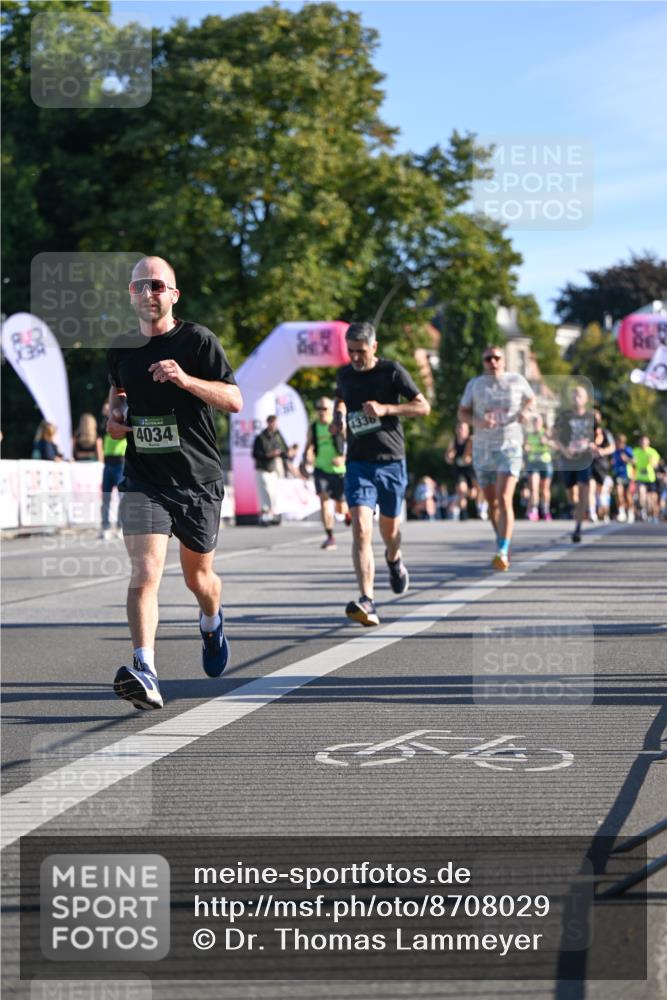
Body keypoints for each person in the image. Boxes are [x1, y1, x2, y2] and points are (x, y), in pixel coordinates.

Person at [106, 255, 242, 711]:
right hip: (145, 478)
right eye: (140, 286)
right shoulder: (122, 348)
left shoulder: (198, 340)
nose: (148, 293)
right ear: (131, 294)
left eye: (157, 286)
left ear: (173, 295)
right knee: (145, 572)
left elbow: (234, 399)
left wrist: (185, 379)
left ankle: (211, 620)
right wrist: (116, 420)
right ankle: (145, 668)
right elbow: (116, 399)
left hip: (198, 479)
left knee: (198, 578)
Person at [333, 321, 431, 626]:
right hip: (358, 463)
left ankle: (394, 559)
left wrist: (387, 410)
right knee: (361, 528)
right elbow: (340, 398)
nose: (356, 357)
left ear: (374, 347)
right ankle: (367, 600)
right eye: (351, 351)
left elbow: (423, 407)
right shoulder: (345, 374)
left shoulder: (392, 371)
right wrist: (338, 418)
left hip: (390, 461)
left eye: (361, 351)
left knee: (390, 532)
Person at [458, 345, 534, 570]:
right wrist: (478, 423)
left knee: (503, 498)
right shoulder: (475, 385)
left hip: (510, 445)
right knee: (492, 503)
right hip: (483, 448)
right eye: (487, 358)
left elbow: (531, 400)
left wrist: (526, 412)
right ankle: (502, 538)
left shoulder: (516, 380)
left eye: (496, 358)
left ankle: (502, 549)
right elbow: (462, 412)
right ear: (483, 362)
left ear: (503, 360)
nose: (492, 362)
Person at [552, 385, 596, 543]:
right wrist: (565, 451)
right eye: (574, 395)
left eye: (579, 395)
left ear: (585, 399)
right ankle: (577, 509)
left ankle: (578, 527)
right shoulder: (564, 416)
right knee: (572, 494)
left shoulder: (591, 417)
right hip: (568, 459)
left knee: (584, 489)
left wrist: (592, 444)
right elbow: (554, 436)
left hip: (584, 459)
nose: (576, 397)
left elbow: (597, 436)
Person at [304, 397, 349, 549]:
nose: (321, 411)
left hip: (338, 470)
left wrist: (343, 458)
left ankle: (347, 513)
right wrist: (308, 455)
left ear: (331, 410)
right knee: (323, 500)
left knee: (340, 509)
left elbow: (353, 443)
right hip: (321, 468)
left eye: (324, 408)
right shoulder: (314, 427)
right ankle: (330, 536)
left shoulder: (338, 425)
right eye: (319, 408)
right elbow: (308, 446)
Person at [252, 415, 288, 526]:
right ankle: (264, 515)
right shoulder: (261, 437)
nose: (274, 425)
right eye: (272, 423)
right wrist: (269, 455)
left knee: (273, 493)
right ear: (268, 423)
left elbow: (284, 450)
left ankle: (271, 514)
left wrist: (287, 453)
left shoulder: (277, 436)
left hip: (273, 468)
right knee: (265, 491)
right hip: (263, 468)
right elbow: (255, 454)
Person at [100, 400, 127, 539]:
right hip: (108, 462)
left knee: (122, 497)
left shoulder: (125, 419)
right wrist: (109, 413)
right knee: (106, 496)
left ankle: (120, 526)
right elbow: (102, 429)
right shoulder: (105, 422)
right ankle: (105, 527)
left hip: (120, 461)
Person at [444, 421, 479, 520]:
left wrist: (468, 458)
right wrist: (449, 457)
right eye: (459, 428)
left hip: (470, 470)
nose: (460, 431)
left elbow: (470, 456)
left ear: (467, 431)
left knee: (472, 494)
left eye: (463, 429)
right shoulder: (453, 441)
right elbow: (448, 456)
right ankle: (463, 512)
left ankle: (479, 507)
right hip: (459, 469)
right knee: (461, 490)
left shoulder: (470, 441)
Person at [524, 414, 553, 521]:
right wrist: (526, 448)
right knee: (534, 488)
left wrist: (547, 442)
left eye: (538, 422)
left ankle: (545, 510)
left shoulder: (546, 433)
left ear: (542, 423)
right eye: (534, 422)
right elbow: (526, 446)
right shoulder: (530, 435)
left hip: (545, 463)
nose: (536, 424)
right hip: (533, 463)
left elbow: (556, 445)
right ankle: (534, 510)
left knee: (545, 489)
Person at [632, 434, 661, 521]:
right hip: (640, 477)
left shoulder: (652, 452)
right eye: (642, 441)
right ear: (640, 442)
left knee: (651, 499)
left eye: (645, 441)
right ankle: (642, 510)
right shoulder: (636, 451)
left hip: (650, 478)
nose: (643, 443)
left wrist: (652, 462)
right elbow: (632, 461)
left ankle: (651, 514)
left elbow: (656, 465)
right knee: (641, 493)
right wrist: (631, 461)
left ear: (648, 442)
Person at [611, 433, 634, 522]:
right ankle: (622, 513)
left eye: (619, 442)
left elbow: (634, 461)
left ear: (622, 442)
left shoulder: (627, 450)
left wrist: (627, 459)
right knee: (619, 494)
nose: (617, 444)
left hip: (627, 475)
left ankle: (630, 512)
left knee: (627, 495)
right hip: (618, 475)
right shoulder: (615, 451)